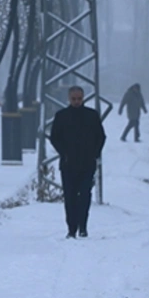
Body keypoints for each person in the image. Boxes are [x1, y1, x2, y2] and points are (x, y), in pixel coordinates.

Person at [48, 85, 106, 239]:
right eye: (74, 99)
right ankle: (71, 228)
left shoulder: (91, 116)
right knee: (70, 197)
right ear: (69, 98)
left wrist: (94, 154)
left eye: (79, 99)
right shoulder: (61, 116)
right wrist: (64, 153)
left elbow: (101, 137)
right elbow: (54, 137)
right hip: (68, 164)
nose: (76, 102)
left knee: (85, 196)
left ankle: (83, 226)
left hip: (87, 164)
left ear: (83, 98)